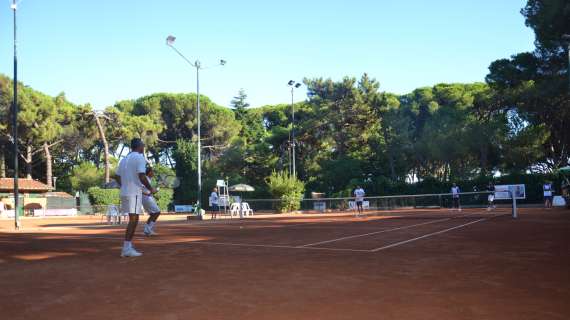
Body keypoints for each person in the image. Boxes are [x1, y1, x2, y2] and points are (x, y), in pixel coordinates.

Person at [115, 138, 157, 258]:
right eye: (143, 145)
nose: (143, 147)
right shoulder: (139, 158)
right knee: (133, 220)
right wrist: (150, 188)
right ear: (139, 146)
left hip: (125, 192)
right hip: (134, 193)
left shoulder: (123, 159)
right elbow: (142, 176)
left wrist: (124, 185)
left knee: (132, 219)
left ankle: (127, 246)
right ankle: (126, 248)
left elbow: (117, 177)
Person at [142, 166, 161, 236]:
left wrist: (158, 187)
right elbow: (140, 189)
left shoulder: (149, 179)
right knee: (157, 212)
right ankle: (148, 229)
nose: (153, 173)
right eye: (152, 171)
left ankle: (147, 229)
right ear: (149, 172)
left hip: (148, 198)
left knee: (153, 214)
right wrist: (148, 193)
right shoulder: (145, 179)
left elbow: (152, 191)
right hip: (146, 198)